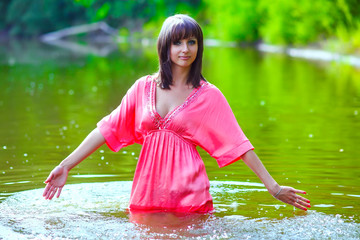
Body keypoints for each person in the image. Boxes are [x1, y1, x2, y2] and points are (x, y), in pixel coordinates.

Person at [43, 14, 311, 213]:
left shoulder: (209, 95)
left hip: (189, 193)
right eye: (178, 42)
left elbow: (238, 143)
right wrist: (66, 165)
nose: (185, 49)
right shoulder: (143, 87)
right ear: (165, 47)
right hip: (147, 190)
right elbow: (106, 129)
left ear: (199, 46)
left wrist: (273, 187)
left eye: (192, 42)